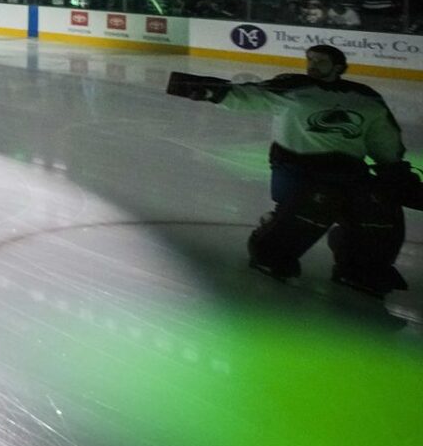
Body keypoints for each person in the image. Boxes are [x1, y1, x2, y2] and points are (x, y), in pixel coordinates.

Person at [170, 44, 416, 296]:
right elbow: (251, 96)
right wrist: (211, 91)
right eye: (310, 60)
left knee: (377, 208)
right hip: (297, 168)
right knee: (314, 204)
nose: (312, 65)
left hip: (349, 171)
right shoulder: (293, 87)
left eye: (321, 61)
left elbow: (383, 138)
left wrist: (394, 169)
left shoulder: (366, 98)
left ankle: (362, 267)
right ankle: (270, 249)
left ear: (339, 67)